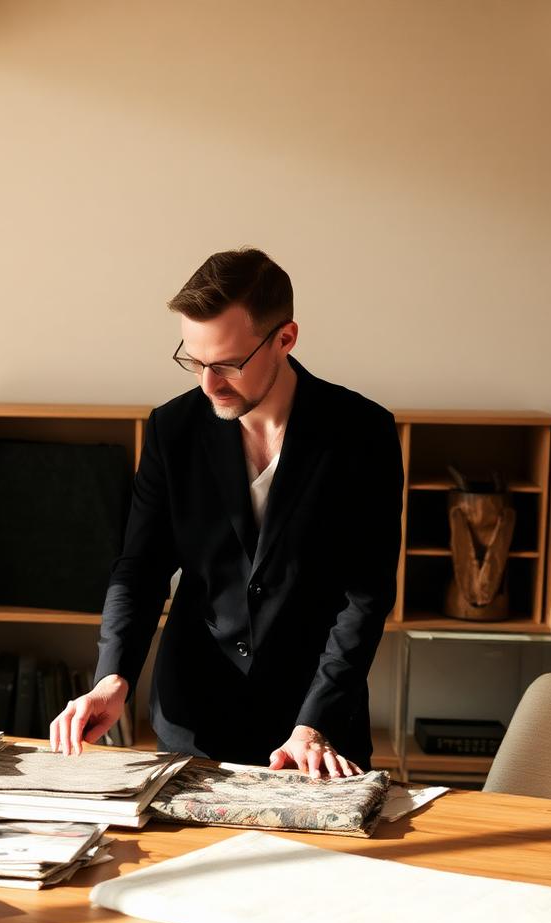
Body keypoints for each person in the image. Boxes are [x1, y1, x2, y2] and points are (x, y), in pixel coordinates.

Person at [49, 248, 401, 775]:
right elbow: (141, 568)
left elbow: (366, 596)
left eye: (228, 364)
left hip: (315, 721)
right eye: (194, 361)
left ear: (284, 339)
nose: (208, 384)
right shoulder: (173, 429)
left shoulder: (362, 433)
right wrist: (113, 675)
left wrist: (316, 721)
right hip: (192, 717)